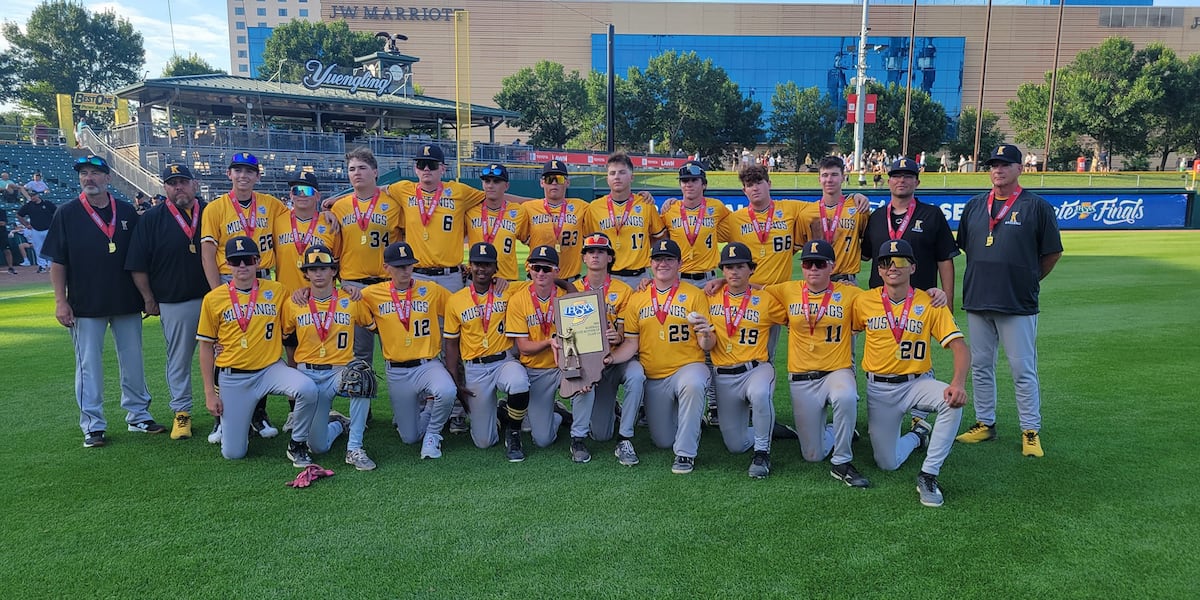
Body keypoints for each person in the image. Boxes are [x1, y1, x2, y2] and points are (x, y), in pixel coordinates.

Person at [43, 155, 160, 448]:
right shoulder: (66, 213)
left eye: (95, 173)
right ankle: (93, 425)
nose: (88, 178)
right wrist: (60, 301)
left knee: (133, 362)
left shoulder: (126, 212)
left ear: (108, 178)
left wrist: (147, 296)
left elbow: (140, 259)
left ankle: (138, 415)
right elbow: (58, 262)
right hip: (85, 304)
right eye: (84, 173)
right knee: (88, 366)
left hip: (125, 300)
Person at [955, 145, 1063, 457]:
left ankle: (1030, 430)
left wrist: (1028, 278)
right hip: (978, 298)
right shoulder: (975, 206)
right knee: (981, 366)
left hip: (1017, 301)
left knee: (1022, 368)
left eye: (1005, 164)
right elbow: (966, 246)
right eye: (994, 165)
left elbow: (1052, 252)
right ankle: (984, 423)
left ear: (1020, 169)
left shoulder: (1036, 206)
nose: (998, 170)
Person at [852, 239, 970, 507]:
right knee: (887, 463)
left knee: (951, 401)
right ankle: (918, 435)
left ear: (913, 267)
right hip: (879, 389)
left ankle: (928, 474)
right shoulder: (863, 301)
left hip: (917, 382)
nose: (893, 267)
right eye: (885, 262)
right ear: (879, 270)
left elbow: (960, 347)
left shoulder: (929, 302)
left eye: (902, 261)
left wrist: (958, 383)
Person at [196, 236, 320, 465]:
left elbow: (301, 305)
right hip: (234, 377)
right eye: (236, 261)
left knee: (307, 389)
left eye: (248, 260)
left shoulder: (278, 291)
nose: (242, 266)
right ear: (227, 263)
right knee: (234, 453)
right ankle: (236, 422)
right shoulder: (213, 299)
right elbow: (205, 348)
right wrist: (209, 393)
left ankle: (298, 443)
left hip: (270, 369)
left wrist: (303, 293)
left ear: (258, 261)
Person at [763, 240, 869, 487]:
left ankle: (842, 461)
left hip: (836, 371)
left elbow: (884, 300)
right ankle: (838, 430)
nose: (813, 269)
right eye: (808, 263)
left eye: (819, 264)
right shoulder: (788, 289)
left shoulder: (850, 293)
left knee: (845, 396)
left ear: (831, 266)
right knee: (813, 455)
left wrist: (931, 292)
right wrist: (724, 281)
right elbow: (753, 289)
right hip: (801, 377)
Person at [200, 152, 290, 440]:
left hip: (262, 281)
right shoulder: (215, 208)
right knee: (223, 351)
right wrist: (218, 292)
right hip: (229, 281)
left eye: (249, 171)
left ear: (257, 176)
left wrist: (326, 209)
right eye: (237, 170)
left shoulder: (271, 205)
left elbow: (301, 216)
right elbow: (208, 253)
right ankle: (221, 417)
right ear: (229, 174)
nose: (243, 176)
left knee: (260, 347)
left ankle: (258, 414)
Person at [608, 239, 714, 474]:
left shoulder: (695, 295)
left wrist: (706, 334)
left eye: (669, 259)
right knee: (663, 441)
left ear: (679, 263)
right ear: (650, 263)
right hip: (655, 377)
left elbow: (707, 344)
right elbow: (631, 344)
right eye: (658, 259)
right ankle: (692, 419)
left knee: (694, 384)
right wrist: (610, 359)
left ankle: (685, 454)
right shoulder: (638, 298)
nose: (662, 263)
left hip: (688, 367)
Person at [125, 164, 210, 440]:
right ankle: (182, 413)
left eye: (183, 182)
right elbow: (138, 263)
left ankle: (227, 410)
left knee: (225, 357)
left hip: (216, 299)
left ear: (194, 184)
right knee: (179, 359)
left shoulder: (212, 212)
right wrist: (148, 298)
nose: (178, 187)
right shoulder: (151, 219)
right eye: (172, 183)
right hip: (174, 301)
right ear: (165, 187)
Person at [359, 241, 457, 459]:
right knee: (409, 438)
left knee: (447, 390)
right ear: (386, 268)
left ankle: (433, 434)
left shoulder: (430, 289)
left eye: (408, 265)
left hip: (427, 364)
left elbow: (458, 304)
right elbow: (346, 305)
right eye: (398, 266)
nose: (405, 270)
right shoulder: (372, 294)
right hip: (397, 371)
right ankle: (429, 409)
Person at [504, 245, 599, 461]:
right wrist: (549, 342)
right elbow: (524, 347)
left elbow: (584, 336)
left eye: (546, 269)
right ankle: (557, 414)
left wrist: (585, 370)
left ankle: (578, 438)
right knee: (543, 440)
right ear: (528, 269)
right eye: (536, 267)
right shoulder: (519, 300)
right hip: (536, 370)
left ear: (556, 271)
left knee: (586, 386)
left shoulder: (568, 296)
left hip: (566, 365)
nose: (540, 273)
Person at [280, 244, 368, 467]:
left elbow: (376, 324)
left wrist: (354, 291)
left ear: (333, 271)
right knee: (319, 446)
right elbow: (280, 334)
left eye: (324, 268)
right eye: (313, 269)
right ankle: (338, 424)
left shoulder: (351, 301)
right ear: (306, 274)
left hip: (339, 371)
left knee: (362, 378)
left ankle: (355, 448)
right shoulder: (293, 303)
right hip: (308, 375)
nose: (318, 273)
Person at [444, 242, 531, 460]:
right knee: (484, 441)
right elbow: (451, 346)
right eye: (477, 264)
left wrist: (565, 284)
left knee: (519, 381)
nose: (481, 269)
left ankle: (513, 432)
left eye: (487, 265)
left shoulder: (508, 289)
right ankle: (502, 412)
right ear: (469, 266)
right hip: (475, 369)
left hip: (504, 361)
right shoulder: (455, 300)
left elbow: (542, 284)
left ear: (495, 268)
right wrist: (456, 382)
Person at [706, 243, 787, 479]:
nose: (734, 272)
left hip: (756, 369)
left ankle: (762, 452)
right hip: (723, 375)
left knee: (760, 394)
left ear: (751, 269)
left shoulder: (766, 299)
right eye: (728, 267)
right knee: (735, 445)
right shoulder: (709, 297)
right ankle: (768, 427)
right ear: (722, 270)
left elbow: (795, 313)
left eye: (740, 266)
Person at [573, 232, 644, 466]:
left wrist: (618, 335)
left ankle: (625, 437)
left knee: (636, 374)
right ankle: (580, 436)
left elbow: (627, 331)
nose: (595, 255)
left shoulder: (623, 290)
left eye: (601, 251)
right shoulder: (572, 289)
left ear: (610, 258)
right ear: (584, 258)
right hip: (588, 361)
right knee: (601, 434)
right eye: (590, 251)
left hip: (616, 358)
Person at [861, 158, 959, 309]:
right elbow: (864, 255)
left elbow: (945, 260)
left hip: (920, 302)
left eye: (908, 176)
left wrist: (948, 302)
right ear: (889, 182)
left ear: (917, 182)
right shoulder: (876, 217)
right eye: (896, 176)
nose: (901, 180)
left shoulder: (932, 214)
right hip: (880, 304)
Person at [584, 153, 667, 288]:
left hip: (640, 278)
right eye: (612, 173)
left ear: (631, 177)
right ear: (607, 179)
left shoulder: (645, 204)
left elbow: (661, 237)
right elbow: (588, 242)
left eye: (622, 172)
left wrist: (643, 244)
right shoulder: (594, 207)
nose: (616, 177)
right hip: (608, 276)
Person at [800, 156, 871, 285]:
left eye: (834, 175)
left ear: (843, 177)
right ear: (819, 179)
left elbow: (867, 243)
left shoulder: (858, 208)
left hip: (847, 280)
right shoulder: (807, 214)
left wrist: (856, 195)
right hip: (816, 281)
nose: (829, 180)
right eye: (825, 175)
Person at [521, 160, 591, 281]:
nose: (554, 183)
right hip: (537, 278)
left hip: (569, 280)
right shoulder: (528, 208)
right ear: (542, 183)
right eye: (549, 179)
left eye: (559, 179)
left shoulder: (581, 207)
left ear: (567, 182)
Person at [662, 161, 730, 286]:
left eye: (694, 180)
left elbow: (734, 227)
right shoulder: (670, 210)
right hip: (679, 279)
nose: (689, 184)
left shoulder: (717, 207)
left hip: (709, 280)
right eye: (685, 181)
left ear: (704, 184)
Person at [274, 172, 339, 295]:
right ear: (291, 195)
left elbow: (338, 265)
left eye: (308, 190)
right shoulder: (277, 221)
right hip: (285, 297)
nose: (302, 194)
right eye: (297, 190)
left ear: (318, 196)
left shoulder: (330, 223)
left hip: (320, 299)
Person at [465, 164, 527, 282]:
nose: (490, 185)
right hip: (477, 279)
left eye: (496, 181)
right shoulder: (470, 210)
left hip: (507, 279)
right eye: (487, 181)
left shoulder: (519, 212)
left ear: (506, 186)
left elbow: (528, 239)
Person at [17, 191, 56, 273]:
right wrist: (26, 224)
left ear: (38, 195)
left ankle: (50, 265)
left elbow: (56, 212)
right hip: (35, 230)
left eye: (33, 195)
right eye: (31, 196)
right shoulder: (29, 205)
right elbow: (19, 215)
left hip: (48, 228)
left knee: (50, 247)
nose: (32, 197)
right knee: (38, 248)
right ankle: (42, 266)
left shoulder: (47, 203)